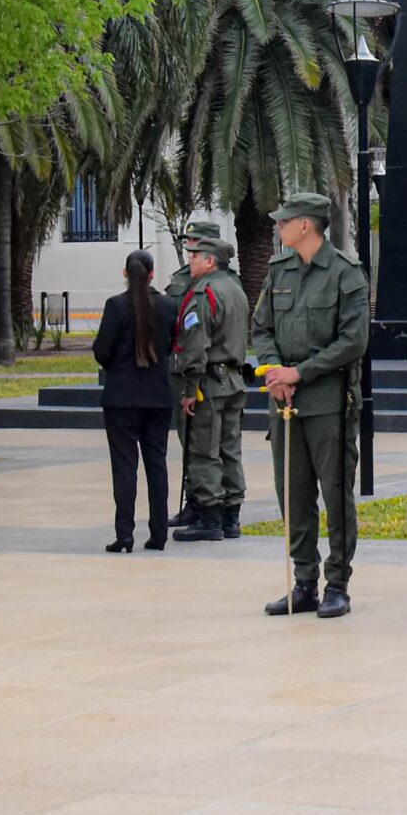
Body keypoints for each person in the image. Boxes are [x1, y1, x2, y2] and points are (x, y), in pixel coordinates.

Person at [251, 192, 371, 616]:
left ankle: (337, 582)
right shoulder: (279, 270)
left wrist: (300, 373)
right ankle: (304, 581)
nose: (279, 228)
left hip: (328, 402)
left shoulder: (345, 274)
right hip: (284, 401)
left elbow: (353, 341)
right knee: (293, 493)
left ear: (306, 225)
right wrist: (273, 370)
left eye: (285, 221)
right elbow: (261, 327)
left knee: (335, 494)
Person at [91, 250, 177, 553]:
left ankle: (124, 534)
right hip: (158, 396)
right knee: (157, 464)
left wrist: (118, 366)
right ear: (153, 274)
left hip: (121, 397)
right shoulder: (169, 306)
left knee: (124, 466)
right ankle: (158, 533)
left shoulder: (116, 306)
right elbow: (173, 344)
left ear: (125, 273)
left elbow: (101, 349)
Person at [171, 234, 250, 543]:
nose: (189, 260)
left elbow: (195, 347)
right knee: (230, 449)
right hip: (233, 380)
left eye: (195, 255)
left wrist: (189, 389)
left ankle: (210, 519)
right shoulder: (235, 288)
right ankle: (232, 517)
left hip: (208, 383)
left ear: (210, 260)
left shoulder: (204, 293)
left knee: (204, 449)